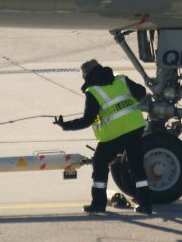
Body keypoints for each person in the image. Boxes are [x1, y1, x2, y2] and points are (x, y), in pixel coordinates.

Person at [54, 59, 152, 215]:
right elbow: (140, 92)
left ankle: (98, 204)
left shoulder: (93, 91)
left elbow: (87, 120)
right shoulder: (120, 79)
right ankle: (146, 205)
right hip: (135, 127)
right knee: (137, 166)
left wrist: (65, 125)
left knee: (100, 164)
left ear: (86, 74)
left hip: (113, 133)